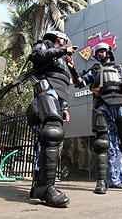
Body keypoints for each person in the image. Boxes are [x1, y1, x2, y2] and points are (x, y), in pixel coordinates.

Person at [68, 42, 122, 195]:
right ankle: (101, 181)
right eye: (97, 52)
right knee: (102, 143)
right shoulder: (94, 70)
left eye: (102, 51)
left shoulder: (119, 69)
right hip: (102, 106)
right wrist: (72, 68)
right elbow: (79, 83)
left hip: (120, 106)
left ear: (109, 52)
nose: (100, 54)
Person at [27, 31, 78, 208]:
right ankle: (46, 186)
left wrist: (64, 107)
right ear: (58, 40)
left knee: (49, 139)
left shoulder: (63, 59)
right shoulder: (44, 45)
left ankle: (39, 185)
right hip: (46, 89)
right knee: (51, 133)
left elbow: (65, 82)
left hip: (59, 95)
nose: (66, 43)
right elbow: (38, 58)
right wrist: (63, 51)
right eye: (64, 41)